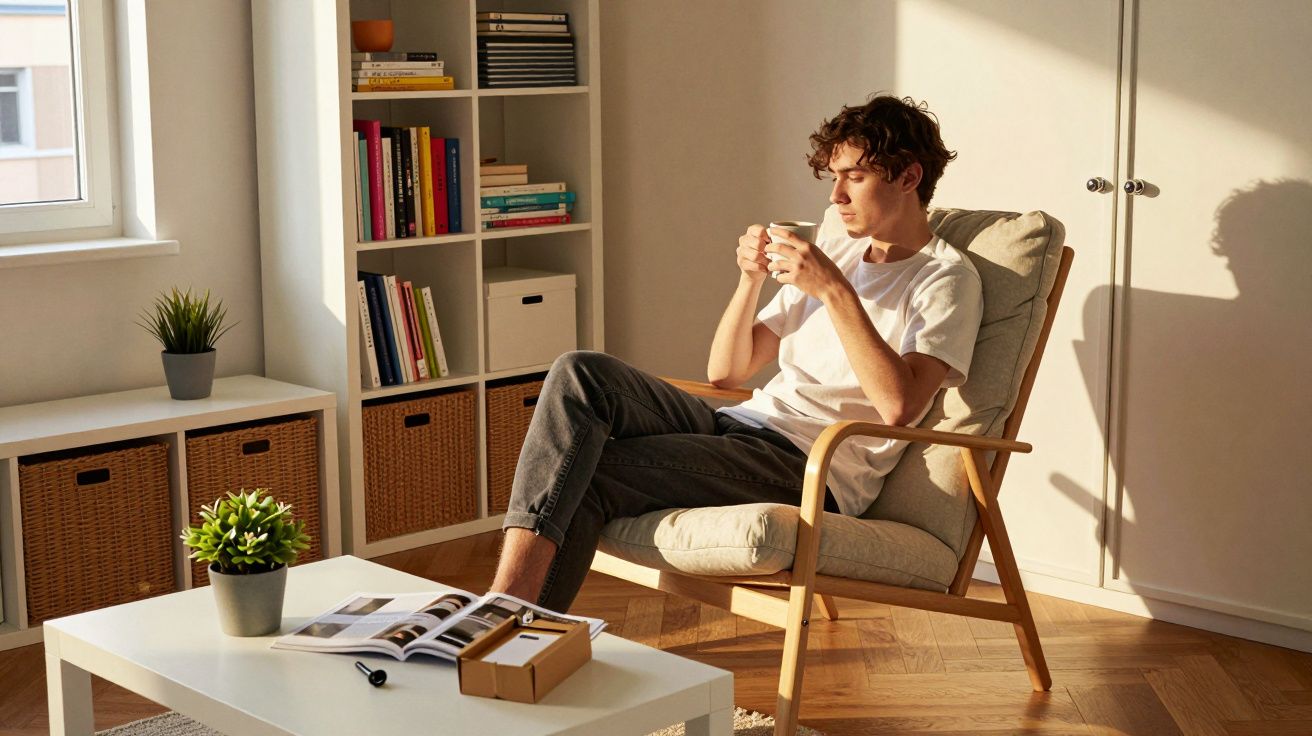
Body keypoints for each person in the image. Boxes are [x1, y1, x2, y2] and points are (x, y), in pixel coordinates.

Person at [489, 95, 984, 612]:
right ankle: (506, 612)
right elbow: (726, 371)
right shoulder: (837, 252)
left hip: (805, 463)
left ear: (908, 177)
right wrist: (749, 281)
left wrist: (836, 292)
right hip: (736, 427)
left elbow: (899, 407)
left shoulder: (944, 279)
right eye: (833, 177)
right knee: (580, 372)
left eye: (854, 176)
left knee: (589, 471)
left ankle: (510, 623)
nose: (836, 195)